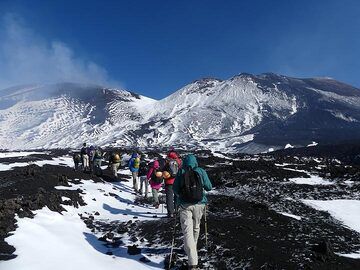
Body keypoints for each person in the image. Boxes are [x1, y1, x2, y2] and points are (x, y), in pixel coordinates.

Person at [173, 154, 212, 270]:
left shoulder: (181, 172)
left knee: (187, 232)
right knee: (196, 227)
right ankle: (192, 252)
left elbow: (175, 189)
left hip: (185, 205)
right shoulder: (201, 171)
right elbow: (209, 187)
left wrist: (181, 195)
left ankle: (192, 261)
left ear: (184, 162)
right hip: (200, 204)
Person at [162, 151, 182, 217]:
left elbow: (163, 171)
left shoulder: (167, 162)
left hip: (168, 182)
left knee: (169, 197)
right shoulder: (179, 162)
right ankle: (177, 211)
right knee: (177, 196)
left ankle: (170, 213)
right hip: (177, 181)